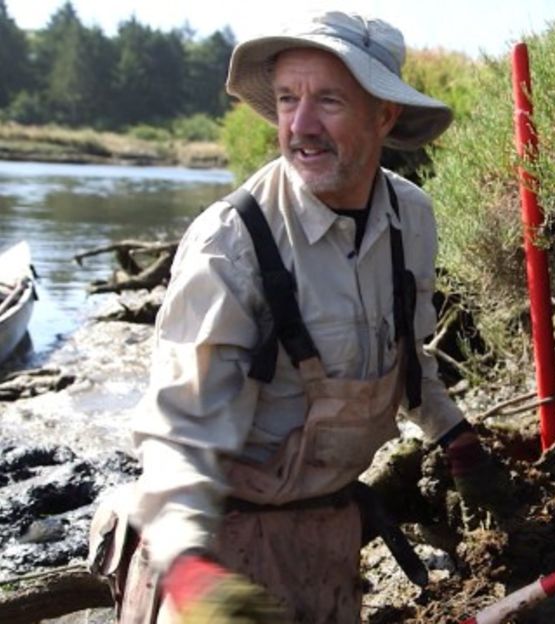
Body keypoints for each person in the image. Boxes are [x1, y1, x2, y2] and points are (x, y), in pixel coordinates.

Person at [119, 11, 506, 623]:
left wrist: (457, 439)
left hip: (329, 542)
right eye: (286, 99)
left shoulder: (412, 219)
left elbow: (406, 354)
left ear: (385, 114)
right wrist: (188, 567)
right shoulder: (233, 242)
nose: (299, 125)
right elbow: (178, 432)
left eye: (327, 100)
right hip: (220, 554)